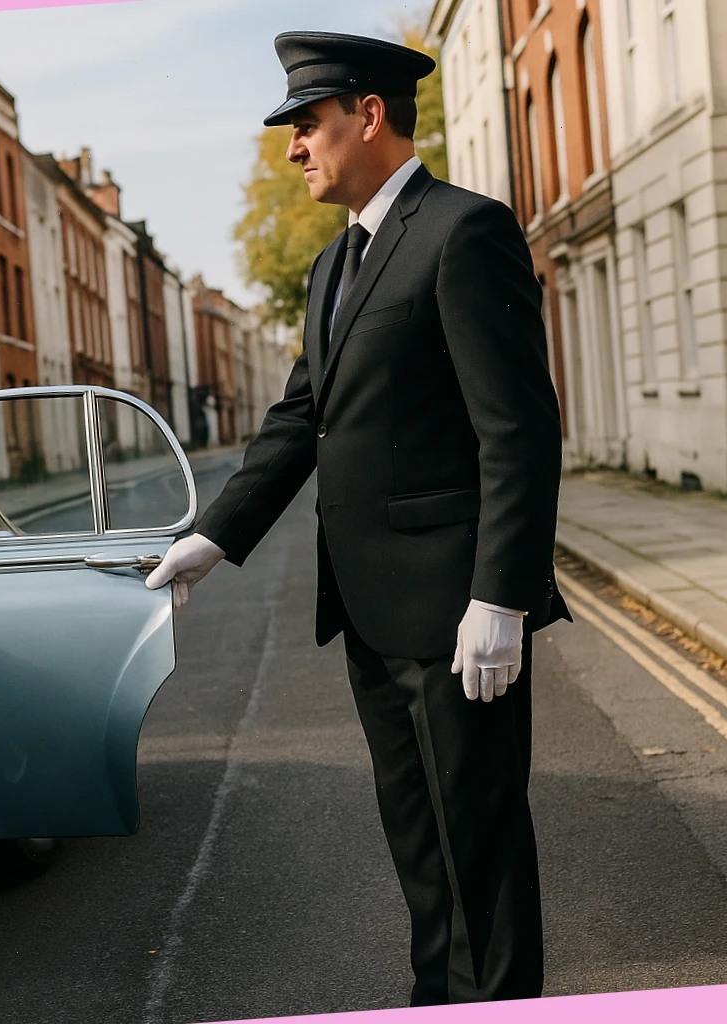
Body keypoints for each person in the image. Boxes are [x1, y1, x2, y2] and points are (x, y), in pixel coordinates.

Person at [144, 30, 572, 1007]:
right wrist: (212, 538)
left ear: (369, 114)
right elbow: (303, 417)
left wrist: (502, 596)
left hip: (459, 618)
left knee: (480, 853)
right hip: (369, 617)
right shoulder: (332, 267)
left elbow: (517, 429)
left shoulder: (465, 231)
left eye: (307, 123)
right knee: (421, 852)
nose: (294, 148)